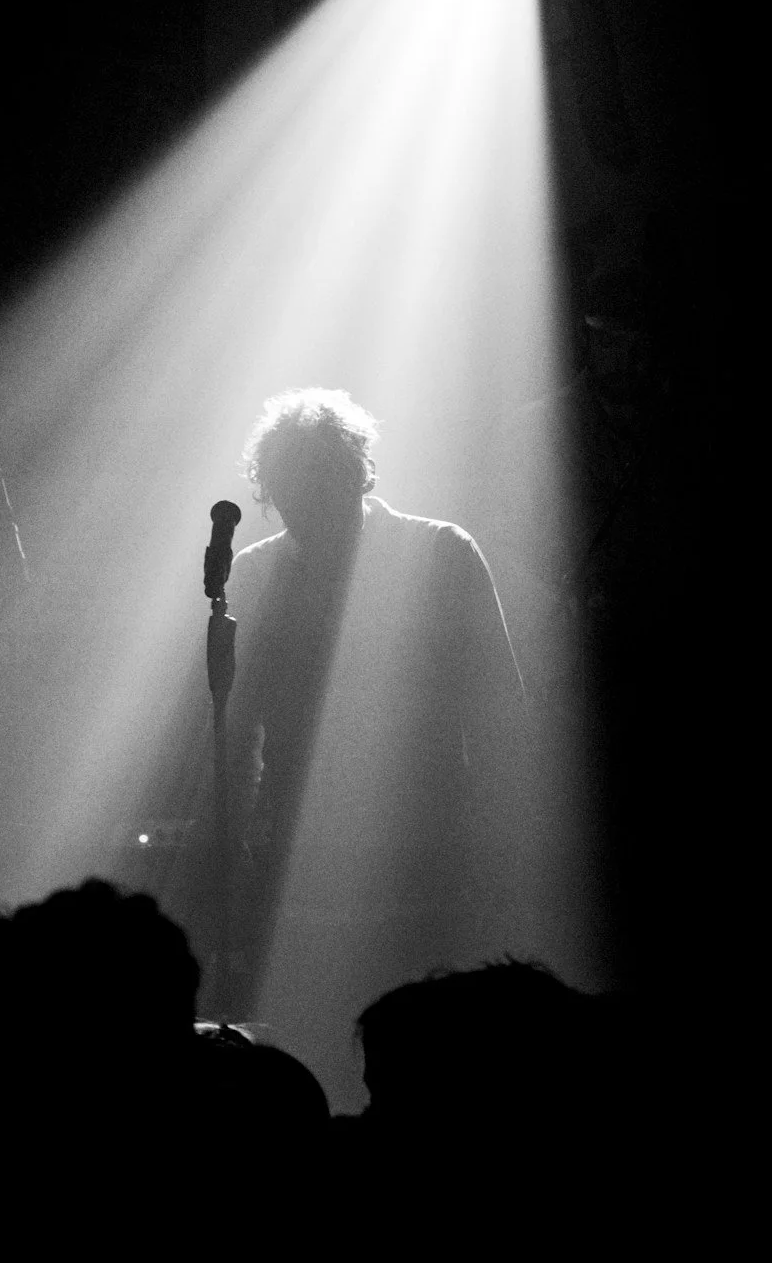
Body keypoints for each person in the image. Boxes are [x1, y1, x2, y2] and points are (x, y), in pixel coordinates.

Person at [199, 388, 530, 1057]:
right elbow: (230, 743)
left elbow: (503, 724)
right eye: (288, 494)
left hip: (430, 863)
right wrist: (230, 867)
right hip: (300, 867)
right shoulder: (256, 577)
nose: (303, 511)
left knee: (436, 1056)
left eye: (314, 489)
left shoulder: (441, 554)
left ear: (354, 474)